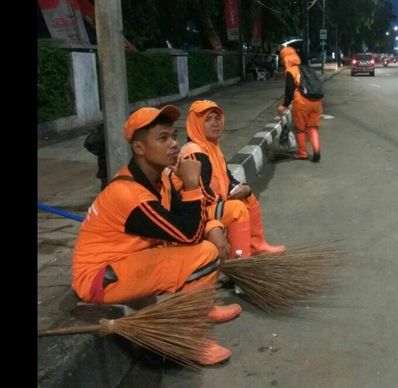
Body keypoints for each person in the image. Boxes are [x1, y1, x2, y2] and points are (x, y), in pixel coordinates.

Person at [71, 105, 238, 366]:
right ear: (139, 148)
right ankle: (191, 342)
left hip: (126, 261)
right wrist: (193, 185)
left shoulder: (163, 179)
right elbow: (188, 234)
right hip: (99, 278)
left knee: (206, 242)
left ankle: (202, 309)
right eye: (163, 138)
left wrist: (212, 226)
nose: (174, 145)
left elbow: (190, 219)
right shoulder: (129, 194)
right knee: (203, 254)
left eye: (173, 136)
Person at [181, 100, 285, 256]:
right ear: (195, 124)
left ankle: (257, 245)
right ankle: (240, 259)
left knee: (248, 197)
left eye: (217, 118)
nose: (215, 123)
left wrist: (242, 188)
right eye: (208, 120)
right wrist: (225, 201)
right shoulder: (194, 153)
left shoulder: (211, 147)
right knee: (236, 208)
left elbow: (226, 177)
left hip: (211, 203)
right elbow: (201, 193)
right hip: (196, 211)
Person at [277, 43, 322, 162]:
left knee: (300, 128)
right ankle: (316, 150)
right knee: (313, 127)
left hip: (302, 103)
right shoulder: (307, 68)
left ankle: (302, 152)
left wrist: (284, 105)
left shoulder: (291, 71)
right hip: (317, 101)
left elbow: (289, 90)